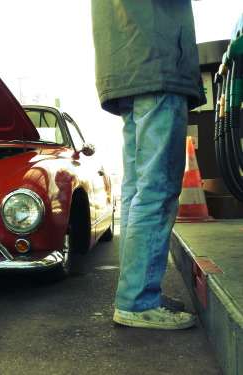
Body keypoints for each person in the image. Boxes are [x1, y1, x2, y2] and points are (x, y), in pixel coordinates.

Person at [91, 0, 206, 329]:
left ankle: (136, 296)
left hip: (127, 66)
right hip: (158, 61)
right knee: (157, 188)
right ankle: (138, 301)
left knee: (137, 189)